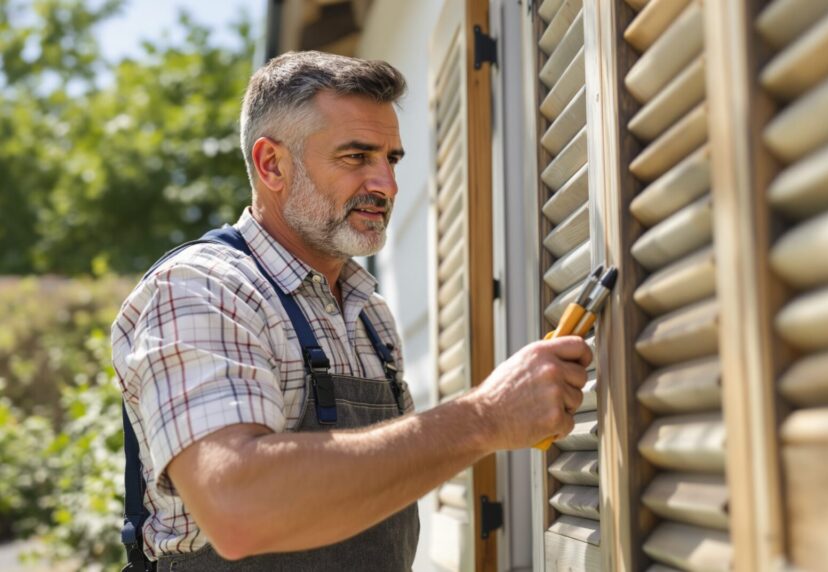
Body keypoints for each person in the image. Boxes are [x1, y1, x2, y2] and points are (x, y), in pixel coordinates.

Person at [111, 51, 590, 571]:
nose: (386, 184)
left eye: (392, 159)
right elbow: (236, 507)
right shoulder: (202, 289)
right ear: (272, 163)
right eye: (356, 157)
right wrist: (484, 417)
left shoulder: (369, 314)